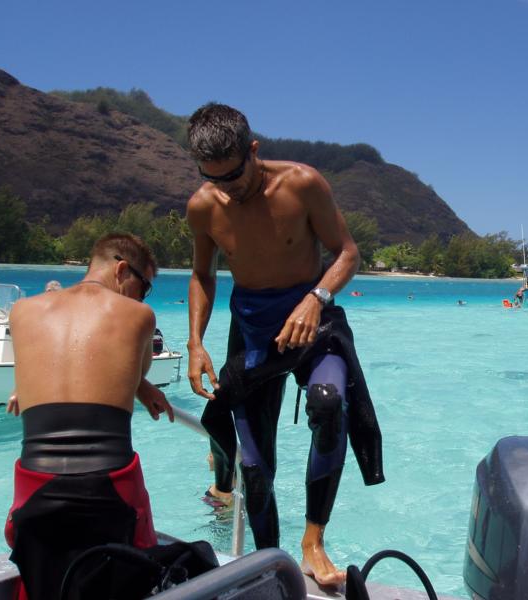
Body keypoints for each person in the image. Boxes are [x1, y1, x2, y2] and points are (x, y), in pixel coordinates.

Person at [185, 103, 384, 586]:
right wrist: (194, 342)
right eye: (214, 178)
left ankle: (313, 541)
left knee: (328, 401)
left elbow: (348, 253)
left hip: (313, 326)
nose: (228, 188)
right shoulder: (204, 206)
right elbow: (202, 275)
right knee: (254, 467)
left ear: (253, 150)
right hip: (252, 333)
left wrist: (317, 297)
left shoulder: (303, 183)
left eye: (234, 174)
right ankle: (270, 562)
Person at [4, 233, 174, 600]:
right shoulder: (139, 316)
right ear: (122, 270)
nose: (142, 299)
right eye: (143, 288)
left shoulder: (23, 311)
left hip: (35, 491)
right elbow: (133, 370)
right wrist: (144, 387)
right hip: (110, 489)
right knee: (137, 580)